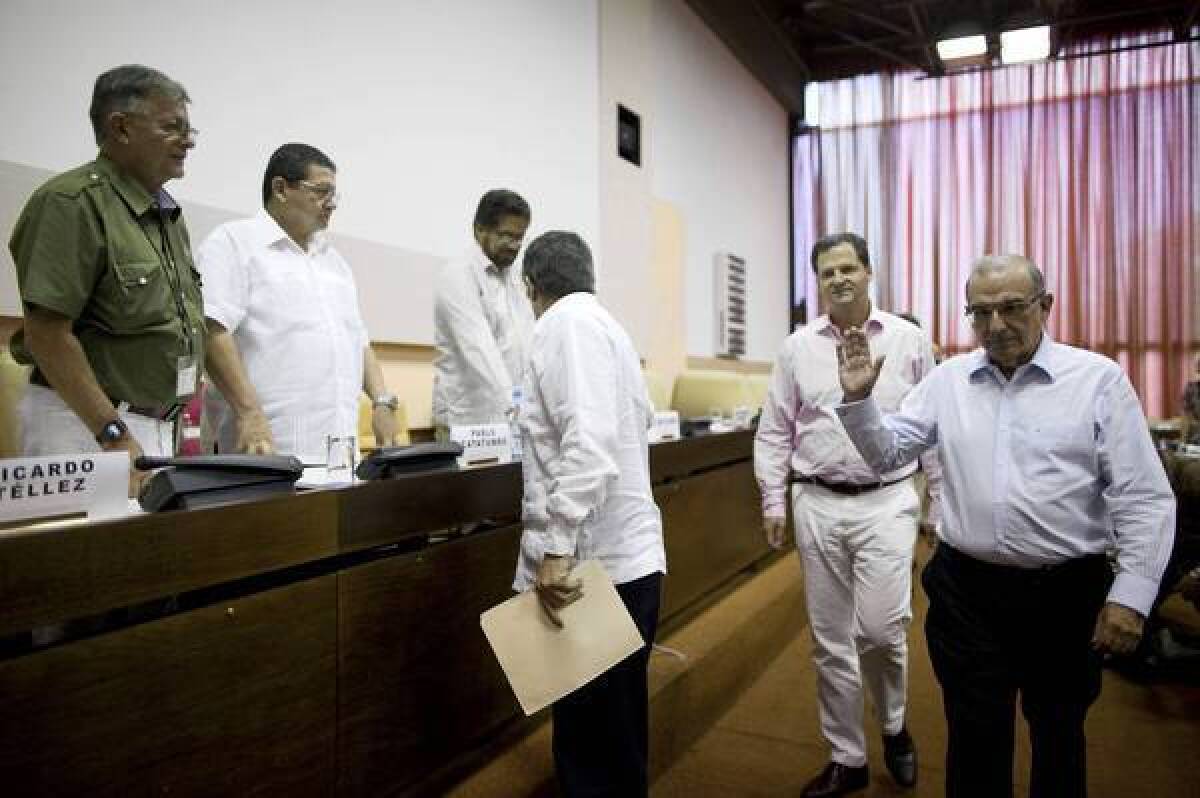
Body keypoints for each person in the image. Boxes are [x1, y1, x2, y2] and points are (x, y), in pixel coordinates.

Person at [835, 254, 1176, 798]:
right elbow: (888, 453)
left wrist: (1131, 597)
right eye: (980, 313)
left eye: (1013, 308)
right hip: (967, 594)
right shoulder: (950, 382)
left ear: (1046, 306)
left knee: (1059, 736)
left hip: (1065, 595)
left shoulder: (1097, 381)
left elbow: (1142, 496)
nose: (996, 326)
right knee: (973, 741)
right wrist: (858, 400)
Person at [755, 233, 939, 797]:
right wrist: (771, 496)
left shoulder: (909, 340)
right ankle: (848, 758)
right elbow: (775, 427)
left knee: (882, 633)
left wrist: (938, 503)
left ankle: (894, 726)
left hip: (886, 500)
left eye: (848, 268)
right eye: (827, 271)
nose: (839, 279)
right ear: (819, 281)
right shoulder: (796, 348)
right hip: (815, 500)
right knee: (831, 639)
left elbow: (933, 428)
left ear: (868, 272)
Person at [512, 231, 666, 797]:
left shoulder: (564, 326)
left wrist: (555, 550)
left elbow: (589, 446)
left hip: (595, 571)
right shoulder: (608, 327)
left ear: (532, 287)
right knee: (608, 739)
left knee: (593, 745)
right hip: (625, 563)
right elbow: (636, 421)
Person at [9, 65, 205, 497]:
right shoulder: (71, 202)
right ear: (121, 127)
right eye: (173, 127)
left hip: (153, 430)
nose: (188, 141)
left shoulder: (167, 216)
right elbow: (47, 336)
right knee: (83, 563)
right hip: (84, 428)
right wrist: (113, 434)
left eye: (191, 130)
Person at [196, 143, 398, 463]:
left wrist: (382, 402)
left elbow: (358, 340)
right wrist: (249, 413)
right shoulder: (233, 243)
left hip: (338, 451)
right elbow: (210, 330)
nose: (331, 203)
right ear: (281, 188)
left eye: (334, 195)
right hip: (264, 446)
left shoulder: (336, 263)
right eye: (321, 192)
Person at [432, 189, 534, 436]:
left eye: (520, 238)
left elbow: (528, 342)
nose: (514, 246)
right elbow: (478, 348)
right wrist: (517, 405)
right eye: (506, 236)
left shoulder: (515, 279)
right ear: (479, 230)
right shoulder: (458, 276)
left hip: (511, 417)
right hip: (469, 422)